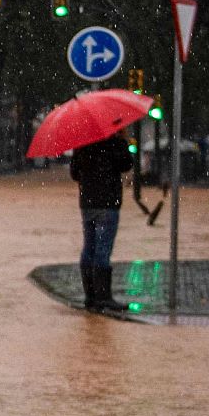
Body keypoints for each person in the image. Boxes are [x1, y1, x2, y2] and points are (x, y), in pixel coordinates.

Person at [70, 133, 131, 314]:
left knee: (89, 247)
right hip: (107, 202)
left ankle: (91, 296)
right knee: (102, 248)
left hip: (88, 202)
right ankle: (103, 297)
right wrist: (122, 141)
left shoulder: (82, 140)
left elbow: (74, 173)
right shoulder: (114, 140)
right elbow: (126, 164)